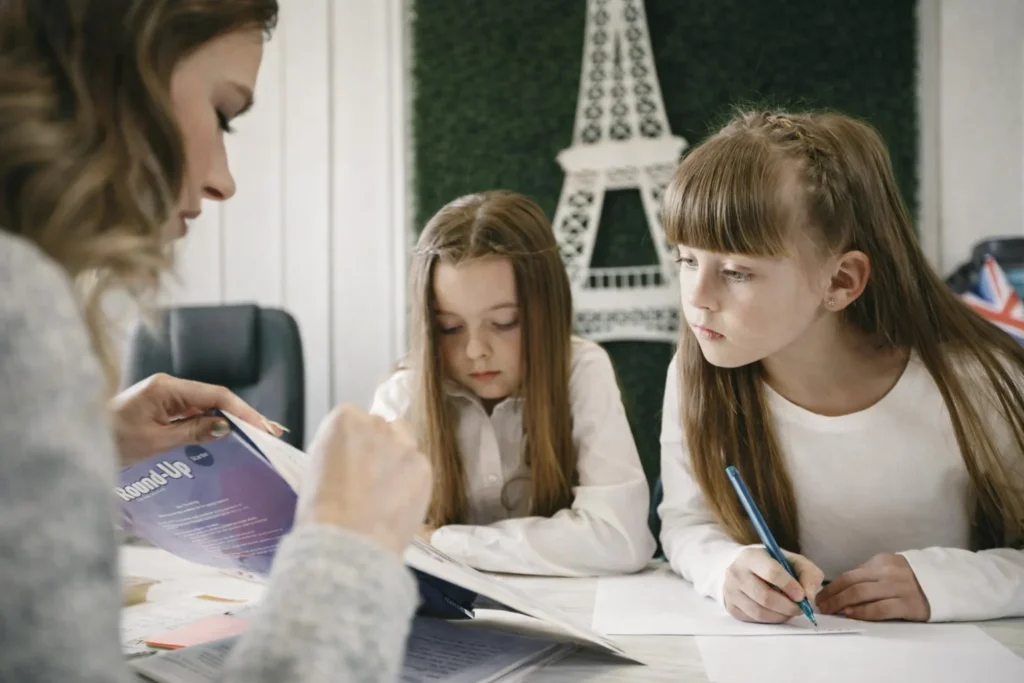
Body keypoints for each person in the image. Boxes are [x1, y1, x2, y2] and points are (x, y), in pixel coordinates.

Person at [0, 2, 432, 682]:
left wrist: (76, 441)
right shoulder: (17, 298)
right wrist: (349, 552)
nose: (224, 180)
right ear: (115, 63)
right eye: (224, 114)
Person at [656, 109, 1024, 624]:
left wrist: (946, 585)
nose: (697, 298)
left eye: (737, 272)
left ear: (841, 282)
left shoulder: (976, 382)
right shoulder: (695, 370)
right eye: (687, 260)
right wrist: (726, 567)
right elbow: (685, 521)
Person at [370, 190, 656, 576]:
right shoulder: (403, 394)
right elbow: (374, 539)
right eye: (449, 328)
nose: (475, 350)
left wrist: (442, 541)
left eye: (504, 322)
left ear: (547, 310)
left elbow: (620, 539)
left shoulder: (582, 370)